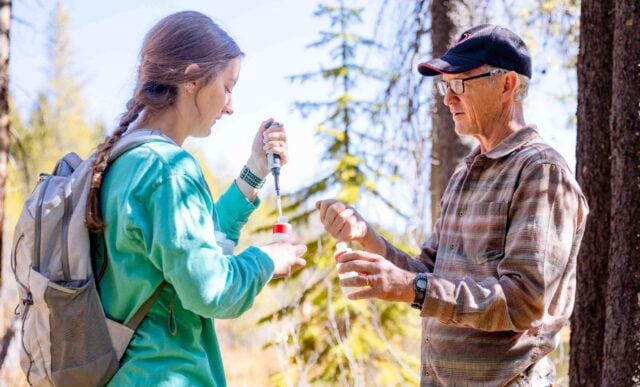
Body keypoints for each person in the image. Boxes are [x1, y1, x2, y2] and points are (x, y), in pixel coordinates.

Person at [316, 24, 588, 386]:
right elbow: (426, 273)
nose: (448, 98)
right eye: (445, 85)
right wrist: (367, 237)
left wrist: (410, 287)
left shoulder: (539, 171)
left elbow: (523, 302)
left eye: (460, 83)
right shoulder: (465, 174)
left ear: (507, 85)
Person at [86, 11, 307, 386]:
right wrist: (268, 258)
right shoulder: (167, 168)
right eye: (227, 86)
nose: (230, 105)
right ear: (191, 79)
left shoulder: (123, 161)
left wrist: (254, 170)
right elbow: (210, 289)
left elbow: (191, 250)